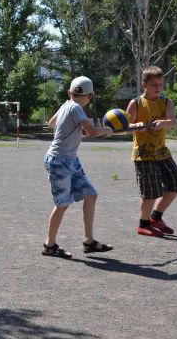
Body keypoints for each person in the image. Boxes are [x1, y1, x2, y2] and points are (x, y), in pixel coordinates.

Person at [42, 76, 114, 259]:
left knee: (90, 194)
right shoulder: (75, 108)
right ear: (89, 97)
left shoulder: (67, 105)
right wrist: (105, 130)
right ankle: (49, 245)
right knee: (62, 204)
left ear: (69, 93)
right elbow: (93, 132)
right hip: (59, 161)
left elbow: (51, 123)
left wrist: (74, 128)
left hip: (70, 160)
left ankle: (89, 242)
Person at [126, 66, 177, 237]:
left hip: (162, 152)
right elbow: (125, 126)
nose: (158, 88)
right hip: (143, 155)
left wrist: (163, 122)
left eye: (160, 84)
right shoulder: (136, 103)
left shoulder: (166, 102)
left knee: (175, 186)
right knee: (150, 193)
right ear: (144, 85)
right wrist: (136, 126)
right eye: (154, 85)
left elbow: (172, 121)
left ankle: (155, 217)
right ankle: (143, 224)